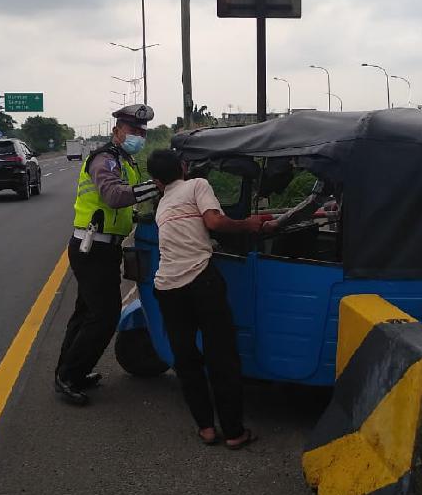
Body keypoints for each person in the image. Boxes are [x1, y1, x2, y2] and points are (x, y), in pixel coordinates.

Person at [146, 149, 274, 449]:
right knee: (222, 356)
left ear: (156, 181)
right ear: (183, 167)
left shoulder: (162, 205)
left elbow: (189, 231)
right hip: (201, 280)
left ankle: (205, 427)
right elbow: (214, 222)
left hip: (166, 287)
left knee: (186, 358)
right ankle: (233, 432)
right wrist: (248, 224)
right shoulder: (197, 185)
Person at [55, 104, 161, 405]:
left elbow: (123, 207)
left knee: (85, 313)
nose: (138, 136)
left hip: (104, 246)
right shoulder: (105, 159)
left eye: (142, 132)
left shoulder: (124, 160)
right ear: (117, 131)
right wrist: (154, 187)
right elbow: (114, 197)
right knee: (104, 316)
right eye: (133, 131)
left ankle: (68, 373)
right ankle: (70, 375)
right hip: (93, 247)